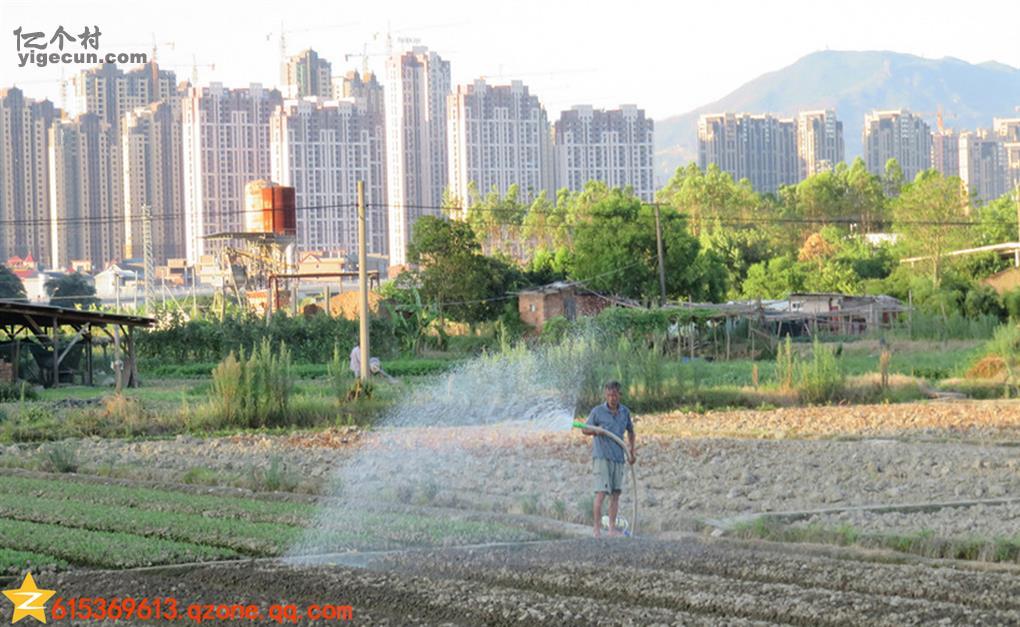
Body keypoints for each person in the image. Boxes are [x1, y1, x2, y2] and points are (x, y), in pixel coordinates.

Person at [581, 380, 636, 538]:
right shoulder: (597, 411)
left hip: (618, 458)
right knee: (601, 494)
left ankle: (611, 529)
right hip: (602, 458)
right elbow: (584, 429)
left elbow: (631, 432)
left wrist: (632, 451)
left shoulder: (624, 412)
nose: (612, 398)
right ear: (606, 395)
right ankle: (597, 530)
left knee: (615, 494)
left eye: (615, 395)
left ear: (620, 395)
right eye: (609, 395)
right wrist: (596, 431)